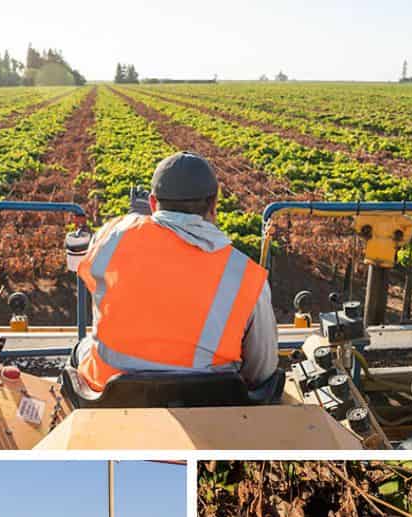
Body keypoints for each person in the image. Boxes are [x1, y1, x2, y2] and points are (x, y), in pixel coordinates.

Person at [72, 152, 278, 399]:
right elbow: (262, 370)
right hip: (214, 405)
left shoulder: (111, 237)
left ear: (152, 203)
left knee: (81, 348)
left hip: (110, 396)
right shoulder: (247, 275)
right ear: (214, 206)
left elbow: (92, 281)